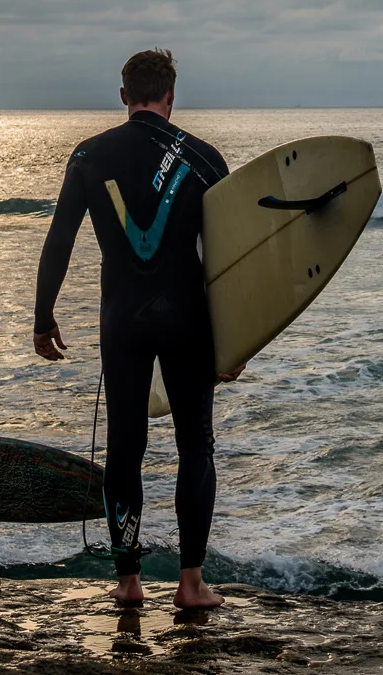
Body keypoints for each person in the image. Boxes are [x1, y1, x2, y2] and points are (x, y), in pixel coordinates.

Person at [32, 49, 236, 609]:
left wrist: (43, 315)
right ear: (172, 95)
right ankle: (191, 585)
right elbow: (233, 254)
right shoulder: (202, 157)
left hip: (122, 320)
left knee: (125, 450)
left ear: (123, 95)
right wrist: (238, 336)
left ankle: (128, 582)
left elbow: (60, 239)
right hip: (188, 320)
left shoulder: (89, 156)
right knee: (196, 445)